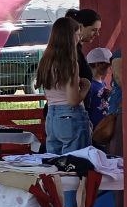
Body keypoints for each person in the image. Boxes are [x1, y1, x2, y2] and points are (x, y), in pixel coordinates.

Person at [36, 17, 90, 154]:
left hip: (52, 115)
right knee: (75, 161)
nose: (79, 39)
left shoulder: (45, 61)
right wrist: (85, 88)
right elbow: (73, 100)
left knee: (55, 161)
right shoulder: (70, 63)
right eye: (77, 35)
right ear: (70, 36)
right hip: (70, 115)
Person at [64, 8, 102, 108]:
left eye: (98, 30)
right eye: (93, 30)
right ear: (80, 27)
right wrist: (86, 87)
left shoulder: (75, 51)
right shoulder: (72, 53)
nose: (97, 34)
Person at [84, 46, 114, 129]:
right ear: (98, 65)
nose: (109, 68)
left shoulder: (102, 83)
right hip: (93, 127)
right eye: (107, 65)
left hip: (103, 127)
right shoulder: (89, 85)